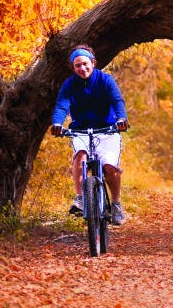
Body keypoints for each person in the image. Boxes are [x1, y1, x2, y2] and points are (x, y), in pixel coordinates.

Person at [51, 44, 129, 226]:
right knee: (80, 156)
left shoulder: (105, 80)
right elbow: (62, 105)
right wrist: (57, 123)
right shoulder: (69, 84)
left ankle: (116, 204)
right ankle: (80, 197)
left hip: (108, 130)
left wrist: (121, 119)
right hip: (81, 131)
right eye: (77, 65)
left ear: (93, 63)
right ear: (73, 67)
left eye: (85, 64)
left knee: (110, 167)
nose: (82, 68)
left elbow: (117, 100)